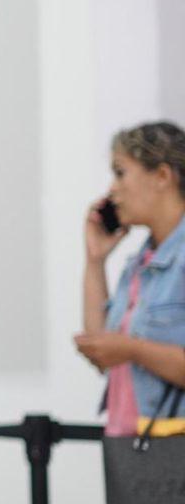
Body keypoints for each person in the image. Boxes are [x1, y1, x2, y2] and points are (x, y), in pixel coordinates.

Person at [75, 122, 185, 443]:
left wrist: (132, 350)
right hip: (132, 450)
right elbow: (100, 348)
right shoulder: (140, 263)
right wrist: (95, 260)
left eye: (120, 173)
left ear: (163, 176)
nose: (112, 189)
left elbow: (119, 349)